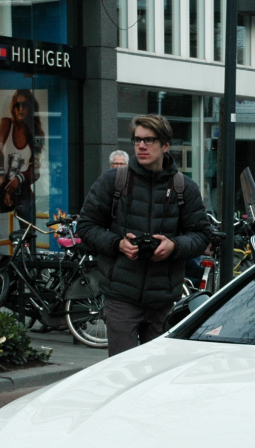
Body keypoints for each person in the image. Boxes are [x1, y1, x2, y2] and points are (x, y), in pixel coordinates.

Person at [77, 114, 215, 356]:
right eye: (137, 140)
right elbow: (86, 226)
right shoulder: (113, 181)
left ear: (165, 145)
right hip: (121, 296)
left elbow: (202, 235)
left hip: (163, 299)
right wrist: (117, 244)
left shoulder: (184, 187)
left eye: (149, 140)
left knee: (156, 375)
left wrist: (174, 246)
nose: (141, 146)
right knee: (122, 372)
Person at [0, 89, 42, 223]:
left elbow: (36, 168)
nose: (20, 109)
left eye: (24, 105)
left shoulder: (36, 132)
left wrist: (19, 178)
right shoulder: (7, 124)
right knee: (0, 234)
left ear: (30, 107)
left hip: (24, 193)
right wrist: (4, 182)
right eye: (17, 105)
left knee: (27, 236)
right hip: (4, 190)